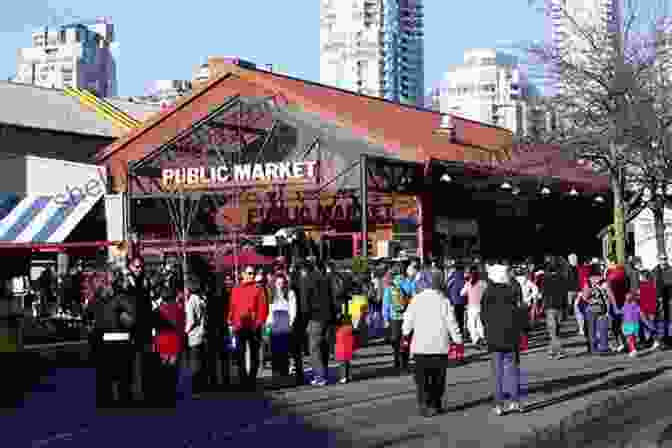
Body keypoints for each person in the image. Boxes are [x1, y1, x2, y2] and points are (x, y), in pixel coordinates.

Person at [402, 269, 462, 417]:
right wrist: (458, 340)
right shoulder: (444, 301)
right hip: (439, 346)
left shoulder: (416, 300)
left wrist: (405, 333)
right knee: (438, 377)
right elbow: (452, 323)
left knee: (421, 378)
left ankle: (424, 402)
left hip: (420, 347)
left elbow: (407, 322)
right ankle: (436, 402)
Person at [481, 264, 525, 416]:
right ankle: (515, 401)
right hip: (511, 336)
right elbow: (519, 312)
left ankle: (499, 405)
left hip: (494, 337)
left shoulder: (487, 293)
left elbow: (483, 316)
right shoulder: (511, 291)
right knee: (512, 370)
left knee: (497, 373)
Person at [93, 271, 136, 408]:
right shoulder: (123, 297)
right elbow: (132, 319)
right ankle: (124, 400)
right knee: (124, 374)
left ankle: (105, 401)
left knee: (105, 375)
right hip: (122, 340)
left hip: (103, 340)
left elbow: (88, 317)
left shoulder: (98, 299)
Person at [228, 266, 269, 391]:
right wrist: (230, 320)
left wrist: (259, 323)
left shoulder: (258, 289)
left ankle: (251, 380)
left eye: (253, 273)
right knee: (239, 355)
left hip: (253, 327)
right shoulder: (236, 289)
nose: (251, 275)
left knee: (254, 355)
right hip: (239, 326)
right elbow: (232, 306)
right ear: (243, 274)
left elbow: (263, 308)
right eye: (249, 273)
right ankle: (243, 380)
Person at [299, 260, 335, 387]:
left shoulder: (306, 280)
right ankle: (324, 372)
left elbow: (304, 303)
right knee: (323, 346)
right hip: (327, 317)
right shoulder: (324, 278)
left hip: (314, 317)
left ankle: (319, 376)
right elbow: (332, 297)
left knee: (314, 348)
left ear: (304, 270)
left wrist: (304, 319)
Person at [153, 286, 185, 405]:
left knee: (163, 370)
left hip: (161, 342)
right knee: (173, 370)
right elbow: (182, 327)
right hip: (175, 342)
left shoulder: (158, 310)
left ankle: (163, 394)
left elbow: (154, 327)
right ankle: (172, 394)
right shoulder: (179, 309)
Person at [266, 274, 297, 376]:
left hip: (284, 320)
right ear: (274, 283)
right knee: (274, 348)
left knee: (284, 349)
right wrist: (268, 324)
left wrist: (290, 322)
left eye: (282, 283)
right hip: (274, 321)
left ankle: (284, 371)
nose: (280, 285)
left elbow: (293, 309)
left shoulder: (290, 293)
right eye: (278, 283)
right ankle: (276, 371)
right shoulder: (271, 293)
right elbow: (269, 310)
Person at [383, 267, 411, 372]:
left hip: (394, 317)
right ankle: (405, 360)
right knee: (406, 338)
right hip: (407, 316)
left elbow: (386, 303)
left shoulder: (390, 287)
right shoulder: (407, 283)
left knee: (395, 340)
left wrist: (385, 318)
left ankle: (396, 360)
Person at [580, 264, 610, 354]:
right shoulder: (601, 281)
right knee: (600, 329)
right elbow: (608, 296)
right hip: (599, 308)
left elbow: (584, 297)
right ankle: (601, 347)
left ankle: (595, 348)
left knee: (593, 329)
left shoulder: (589, 282)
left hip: (592, 308)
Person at [185, 279, 207, 394]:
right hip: (202, 334)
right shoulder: (201, 299)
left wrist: (186, 332)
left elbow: (191, 320)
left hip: (193, 336)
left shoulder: (191, 301)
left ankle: (196, 388)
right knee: (201, 362)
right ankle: (202, 385)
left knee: (194, 364)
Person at [542, 258, 568, 359]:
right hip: (560, 306)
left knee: (552, 331)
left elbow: (543, 294)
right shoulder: (562, 279)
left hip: (550, 307)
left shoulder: (545, 279)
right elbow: (565, 294)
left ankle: (560, 351)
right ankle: (551, 350)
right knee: (556, 330)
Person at [461, 265, 487, 347]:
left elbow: (461, 293)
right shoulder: (483, 283)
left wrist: (466, 283)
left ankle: (475, 340)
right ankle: (482, 337)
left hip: (472, 307)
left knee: (471, 324)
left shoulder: (469, 283)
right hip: (481, 306)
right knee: (479, 323)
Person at [612, 291, 643, 358]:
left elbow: (618, 312)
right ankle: (633, 349)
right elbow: (640, 313)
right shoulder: (635, 305)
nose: (626, 298)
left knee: (629, 339)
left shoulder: (627, 305)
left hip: (628, 324)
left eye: (627, 297)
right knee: (632, 339)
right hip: (635, 324)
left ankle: (633, 350)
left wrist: (614, 305)